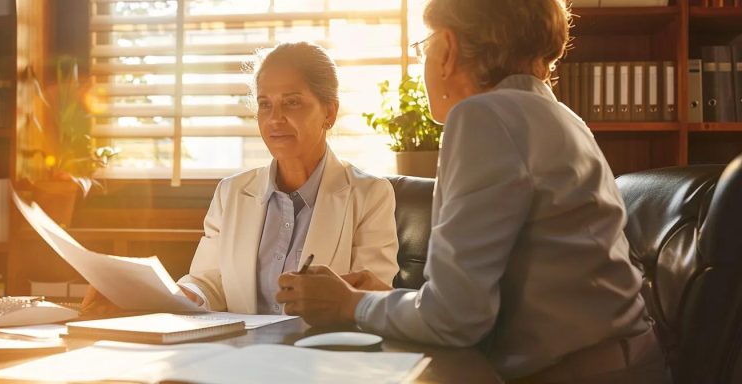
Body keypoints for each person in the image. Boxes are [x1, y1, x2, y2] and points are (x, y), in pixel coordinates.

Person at [275, 1, 668, 383]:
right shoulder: (559, 116)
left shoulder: (484, 116)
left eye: (424, 47)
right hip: (623, 364)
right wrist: (385, 301)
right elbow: (483, 304)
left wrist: (349, 304)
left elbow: (454, 320)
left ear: (447, 49)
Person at [82, 42, 399, 315]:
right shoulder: (231, 192)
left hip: (319, 360)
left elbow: (370, 299)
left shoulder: (370, 194)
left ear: (329, 112)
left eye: (292, 101)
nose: (275, 119)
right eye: (265, 104)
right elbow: (209, 281)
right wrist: (164, 296)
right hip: (236, 360)